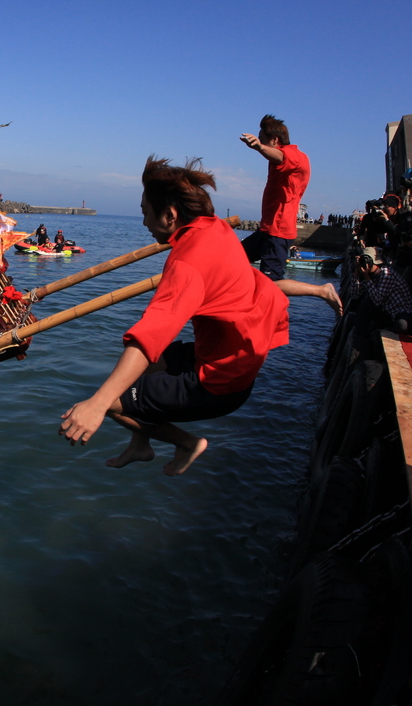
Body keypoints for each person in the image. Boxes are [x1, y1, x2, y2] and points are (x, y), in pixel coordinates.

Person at [58, 157, 290, 476]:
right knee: (150, 364)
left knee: (111, 400)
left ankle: (187, 443)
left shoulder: (186, 262)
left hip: (220, 384)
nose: (143, 223)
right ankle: (140, 444)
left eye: (145, 213)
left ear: (170, 215)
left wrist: (95, 404)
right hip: (235, 361)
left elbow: (149, 335)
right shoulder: (217, 229)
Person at [239, 114, 311, 280]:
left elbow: (282, 157)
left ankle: (321, 290)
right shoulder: (277, 159)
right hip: (267, 229)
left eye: (262, 139)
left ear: (275, 140)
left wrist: (259, 147)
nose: (260, 141)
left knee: (273, 282)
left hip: (278, 232)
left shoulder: (295, 156)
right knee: (232, 258)